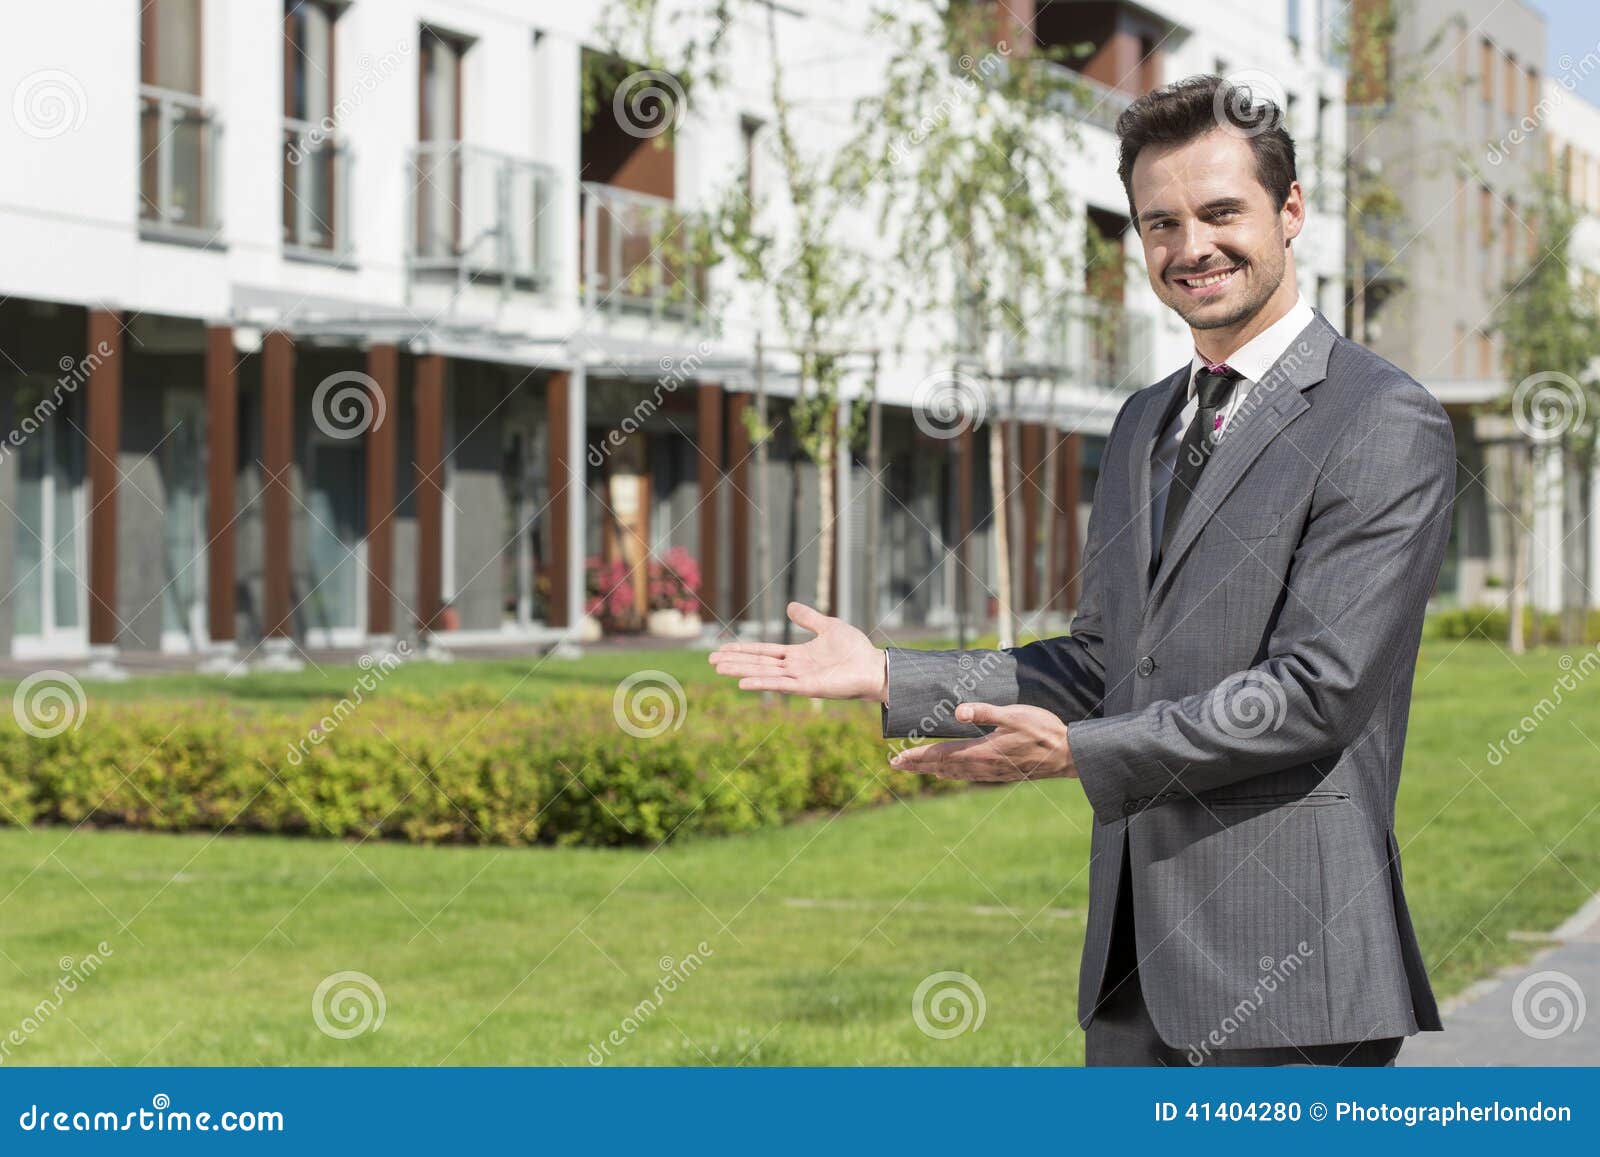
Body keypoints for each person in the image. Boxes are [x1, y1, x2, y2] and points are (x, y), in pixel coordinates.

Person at [708, 74, 1454, 1067]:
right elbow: (1109, 658)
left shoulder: (1379, 416)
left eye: (1221, 211)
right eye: (1160, 222)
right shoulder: (1145, 416)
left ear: (1290, 211)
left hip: (1293, 972)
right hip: (1132, 965)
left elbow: (1315, 691)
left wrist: (1076, 752)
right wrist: (895, 673)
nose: (1191, 247)